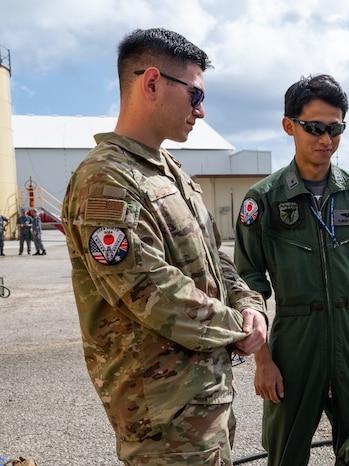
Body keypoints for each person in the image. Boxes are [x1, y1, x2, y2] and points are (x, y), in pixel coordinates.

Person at [61, 28, 267, 466]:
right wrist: (240, 328)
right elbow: (152, 293)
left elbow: (216, 261)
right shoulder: (106, 180)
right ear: (151, 83)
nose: (202, 110)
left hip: (202, 403)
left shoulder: (170, 172)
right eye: (194, 95)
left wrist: (251, 305)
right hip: (163, 419)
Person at [234, 74, 349, 465]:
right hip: (294, 343)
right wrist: (263, 361)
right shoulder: (265, 199)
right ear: (289, 125)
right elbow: (248, 284)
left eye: (335, 128)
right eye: (315, 128)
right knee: (286, 450)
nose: (326, 140)